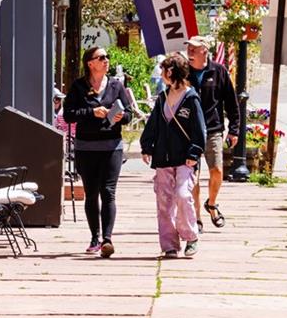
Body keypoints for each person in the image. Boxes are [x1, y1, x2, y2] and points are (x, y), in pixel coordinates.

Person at [64, 46, 135, 257]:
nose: (106, 60)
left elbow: (129, 113)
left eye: (107, 57)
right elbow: (68, 115)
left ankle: (107, 239)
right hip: (86, 147)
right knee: (91, 193)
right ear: (90, 63)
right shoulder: (78, 86)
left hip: (112, 146)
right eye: (101, 57)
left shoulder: (116, 85)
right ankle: (94, 237)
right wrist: (91, 112)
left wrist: (121, 116)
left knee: (108, 192)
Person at [140, 55, 206, 258]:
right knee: (164, 201)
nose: (161, 74)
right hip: (163, 157)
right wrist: (146, 146)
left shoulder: (191, 98)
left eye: (163, 70)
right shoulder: (162, 97)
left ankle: (191, 236)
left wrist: (194, 152)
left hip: (185, 158)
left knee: (183, 195)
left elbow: (199, 129)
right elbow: (153, 124)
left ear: (171, 72)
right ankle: (169, 244)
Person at [185, 37, 240, 230]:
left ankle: (212, 203)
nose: (190, 52)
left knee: (217, 170)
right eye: (189, 48)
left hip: (213, 129)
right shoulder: (184, 72)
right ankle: (196, 216)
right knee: (193, 175)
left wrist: (234, 130)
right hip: (189, 131)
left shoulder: (219, 71)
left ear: (205, 51)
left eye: (194, 49)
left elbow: (232, 102)